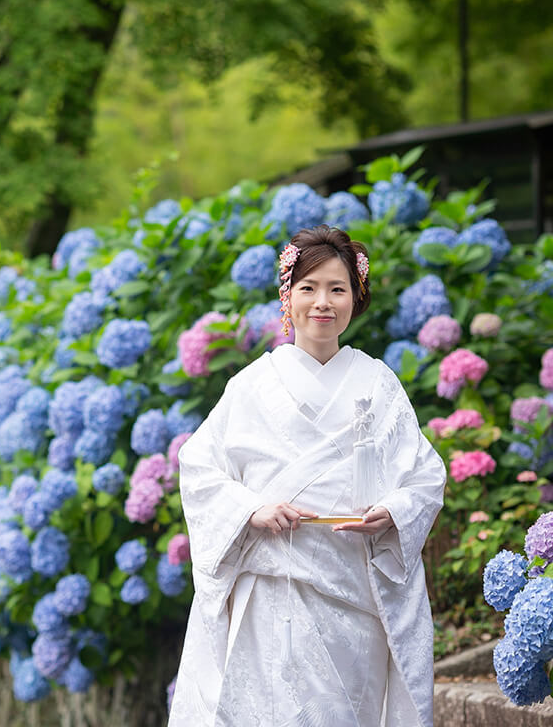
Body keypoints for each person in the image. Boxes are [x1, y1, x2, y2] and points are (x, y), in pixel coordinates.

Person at [166, 225, 446, 727]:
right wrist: (252, 509)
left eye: (337, 289)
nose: (323, 303)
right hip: (271, 593)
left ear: (354, 300)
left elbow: (425, 476)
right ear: (287, 297)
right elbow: (199, 468)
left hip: (351, 592)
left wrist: (393, 512)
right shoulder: (250, 386)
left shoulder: (380, 384)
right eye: (309, 288)